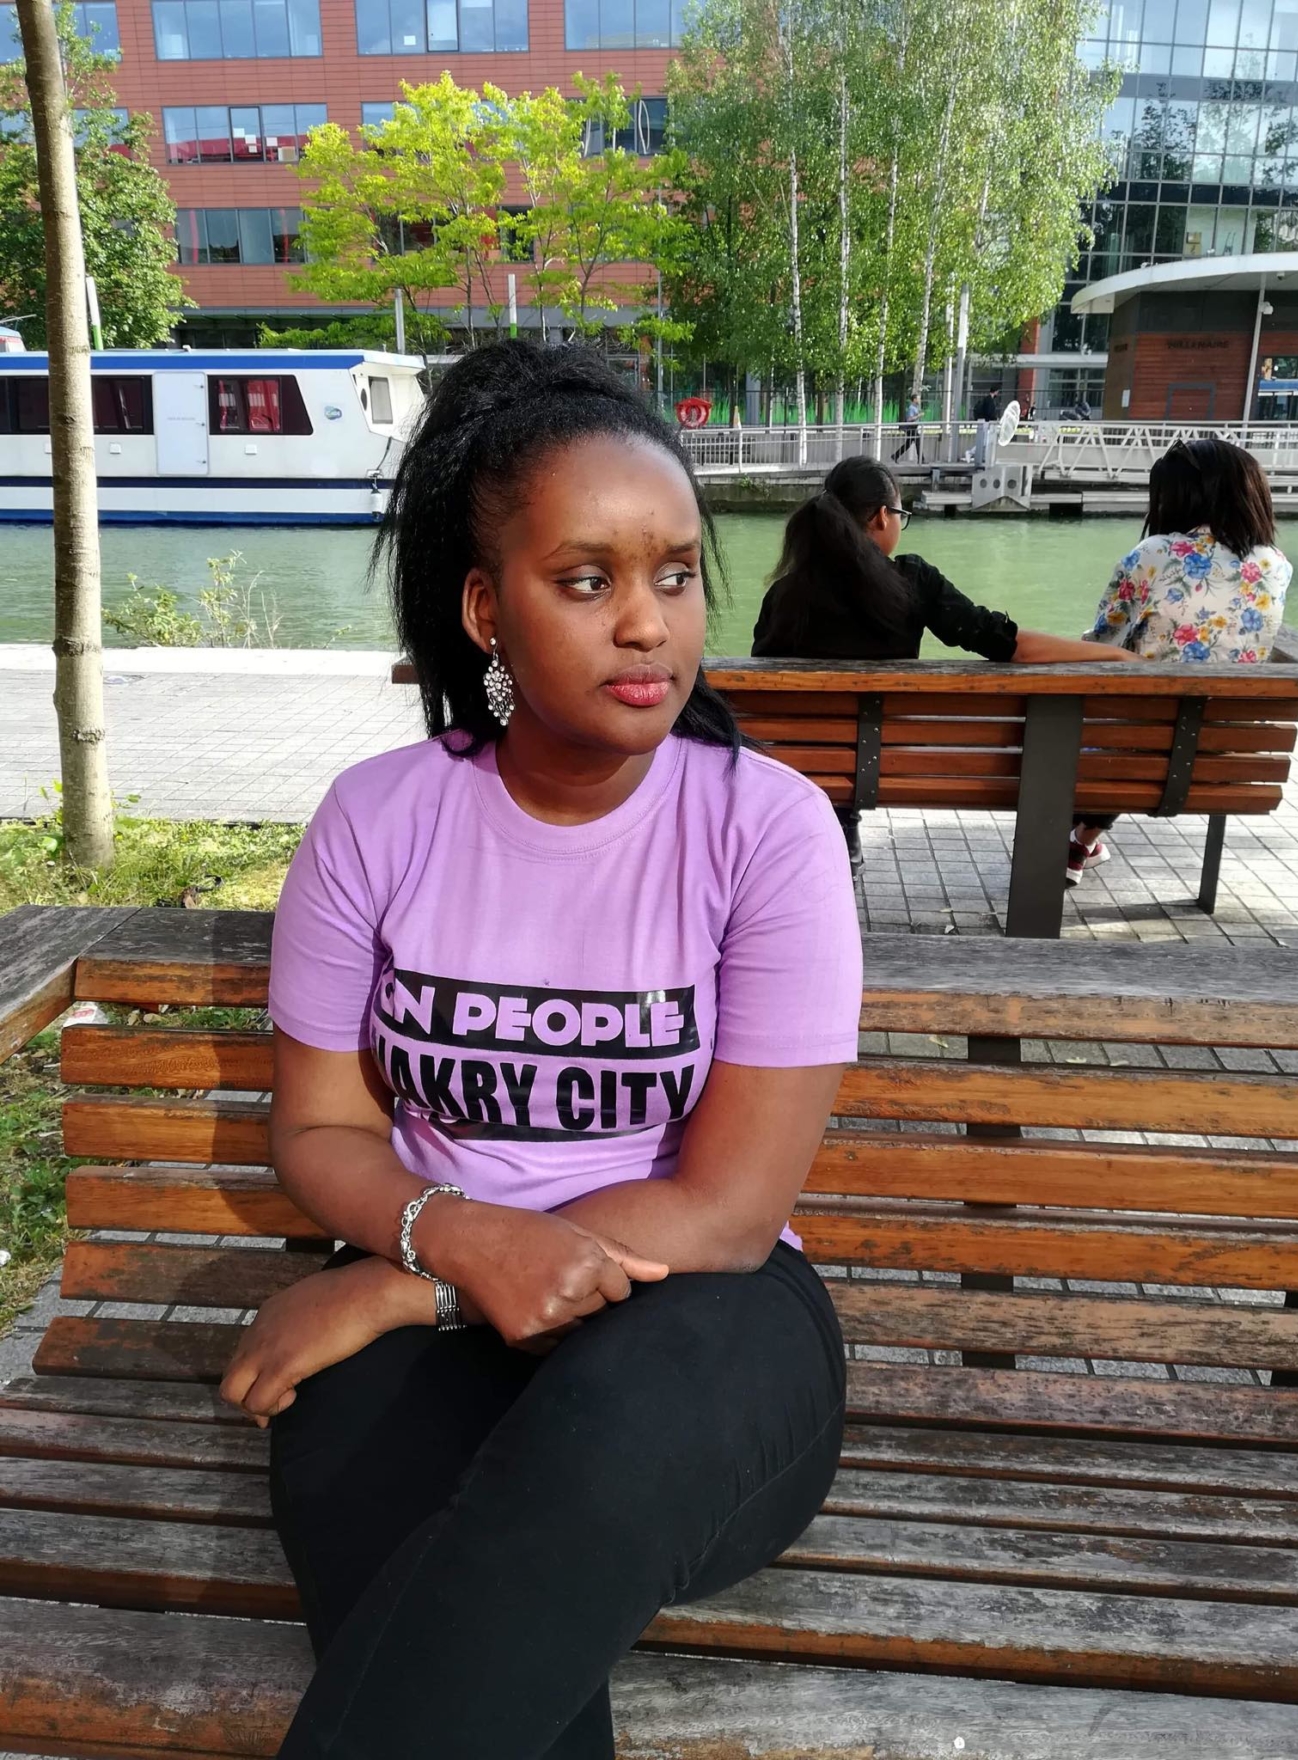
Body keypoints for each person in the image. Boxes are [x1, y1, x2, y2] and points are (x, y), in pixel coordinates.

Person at [217, 339, 862, 1760]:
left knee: (598, 1445)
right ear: (484, 609)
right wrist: (459, 1255)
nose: (647, 624)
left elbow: (727, 1207)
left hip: (703, 1327)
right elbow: (318, 1126)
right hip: (438, 1316)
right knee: (401, 1532)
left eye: (676, 575)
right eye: (586, 580)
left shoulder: (765, 829)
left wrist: (420, 1280)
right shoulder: (379, 820)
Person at [751, 455, 1139, 868]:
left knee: (825, 736)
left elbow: (765, 680)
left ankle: (838, 826)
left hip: (799, 763)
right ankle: (845, 822)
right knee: (861, 741)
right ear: (882, 516)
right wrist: (1113, 652)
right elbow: (1009, 644)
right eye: (901, 515)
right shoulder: (913, 581)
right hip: (889, 763)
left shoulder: (785, 595)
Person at [1069, 435, 1293, 886]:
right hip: (1230, 751)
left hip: (1139, 744)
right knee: (1153, 730)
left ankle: (1075, 837)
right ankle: (1082, 841)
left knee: (1095, 724)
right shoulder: (1277, 565)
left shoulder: (1156, 554)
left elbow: (1103, 642)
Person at [894, 392, 922, 460]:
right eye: (918, 399)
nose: (919, 400)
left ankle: (895, 456)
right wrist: (918, 416)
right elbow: (909, 419)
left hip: (913, 428)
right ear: (914, 400)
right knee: (918, 443)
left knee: (908, 445)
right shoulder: (911, 408)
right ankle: (921, 459)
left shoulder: (915, 408)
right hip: (912, 428)